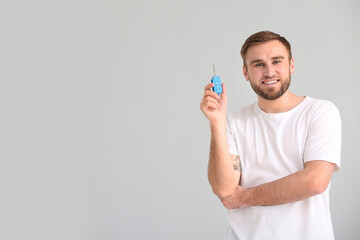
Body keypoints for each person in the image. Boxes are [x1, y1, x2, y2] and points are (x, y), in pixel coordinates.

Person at [200, 31, 341, 240]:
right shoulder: (232, 122)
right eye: (258, 64)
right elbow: (224, 188)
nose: (269, 72)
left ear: (291, 65)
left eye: (277, 61)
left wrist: (244, 197)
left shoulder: (320, 112)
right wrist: (217, 123)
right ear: (245, 73)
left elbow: (315, 181)